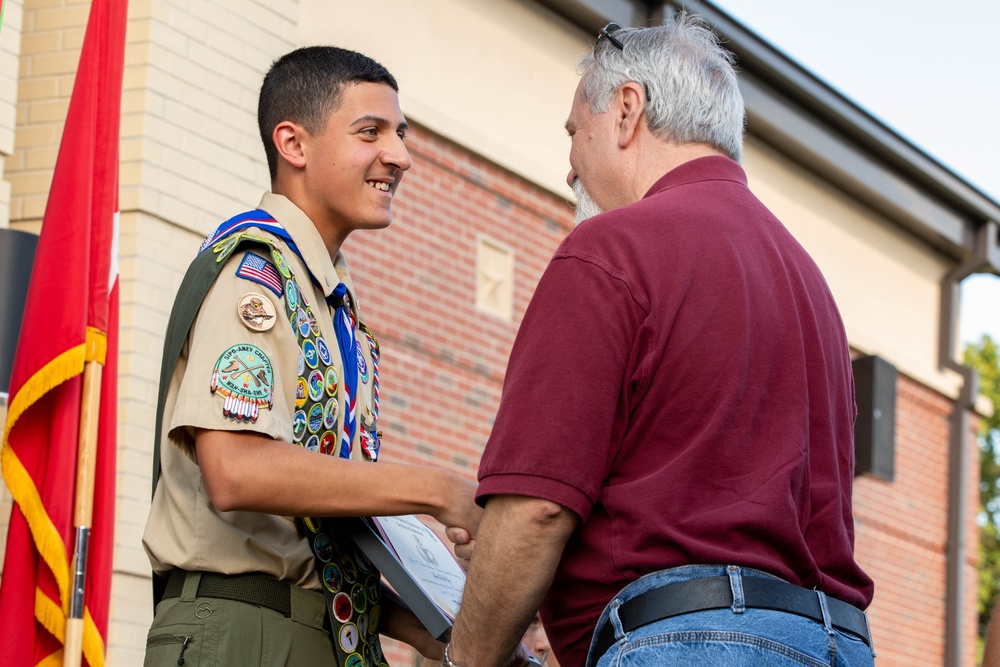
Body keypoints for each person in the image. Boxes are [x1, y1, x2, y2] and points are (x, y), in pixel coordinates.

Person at [445, 14, 875, 667]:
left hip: (692, 642)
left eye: (572, 132)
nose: (568, 169)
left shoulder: (612, 247)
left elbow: (536, 509)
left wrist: (465, 659)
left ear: (625, 112)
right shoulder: (811, 286)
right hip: (835, 642)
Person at [142, 46, 482, 666]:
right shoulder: (257, 276)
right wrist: (435, 490)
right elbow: (235, 470)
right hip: (243, 633)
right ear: (293, 145)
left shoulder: (326, 302)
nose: (400, 156)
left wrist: (456, 637)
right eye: (370, 132)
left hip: (311, 632)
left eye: (400, 134)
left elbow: (319, 548)